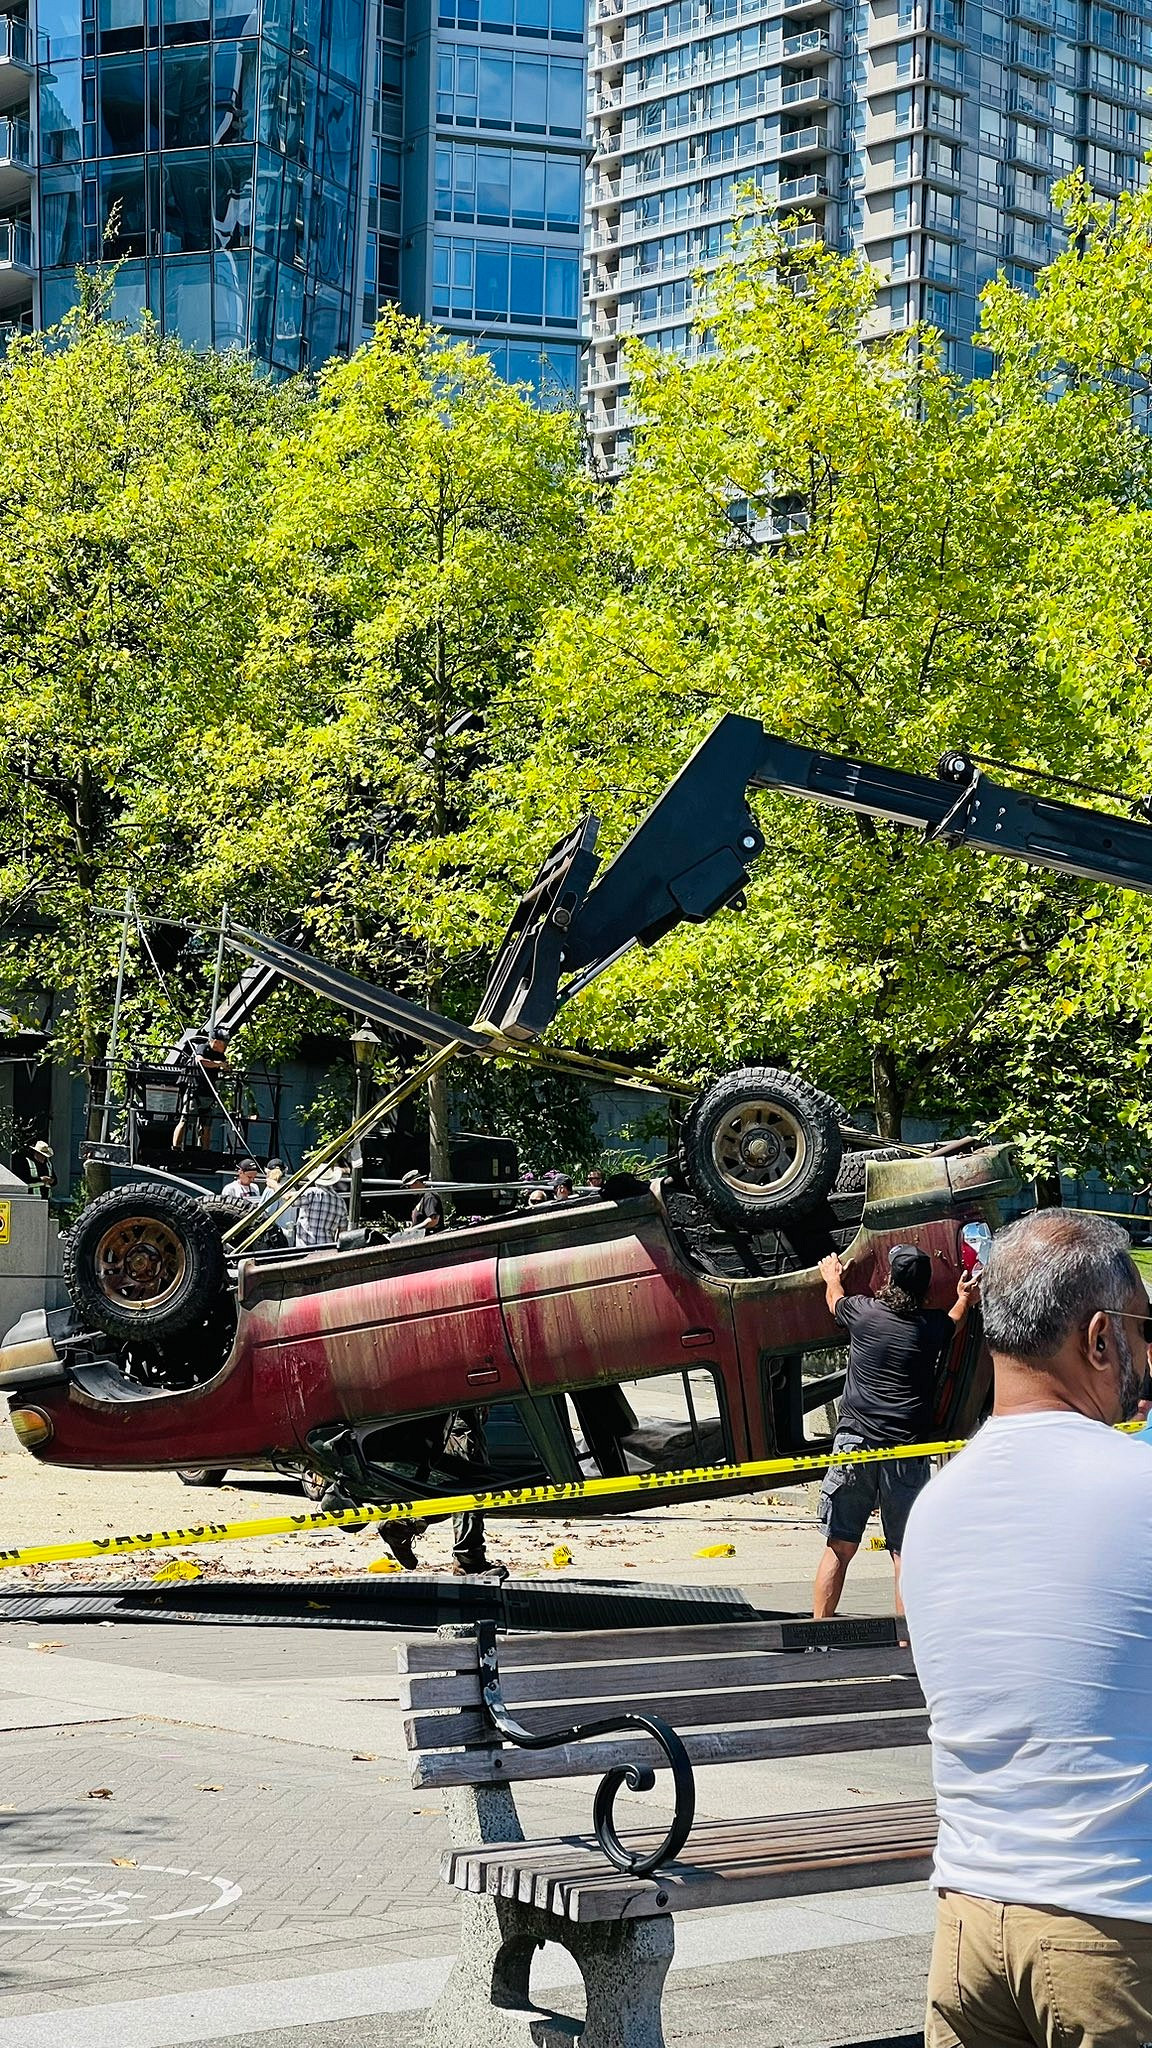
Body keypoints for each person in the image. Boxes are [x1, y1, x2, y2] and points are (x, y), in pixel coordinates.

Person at [901, 1211, 1152, 2048]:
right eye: (1145, 1328)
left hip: (970, 1926)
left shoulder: (935, 1510)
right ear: (1099, 1338)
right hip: (1116, 1927)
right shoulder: (1138, 1484)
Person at [813, 1242, 975, 1619]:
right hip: (906, 1451)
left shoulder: (864, 1314)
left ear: (890, 1278)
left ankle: (817, 1640)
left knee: (840, 1545)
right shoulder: (930, 1328)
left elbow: (834, 1300)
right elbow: (956, 1320)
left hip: (855, 1444)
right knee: (903, 1552)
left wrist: (831, 1276)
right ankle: (905, 1648)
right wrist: (965, 1297)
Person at [294, 1163, 349, 1249]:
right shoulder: (341, 1202)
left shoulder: (311, 1193)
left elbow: (291, 1200)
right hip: (326, 1249)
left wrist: (275, 1184)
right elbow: (342, 1233)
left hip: (305, 1249)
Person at [402, 1169, 444, 1234]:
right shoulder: (421, 1197)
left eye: (409, 1186)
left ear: (416, 1182)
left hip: (432, 1237)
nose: (408, 1188)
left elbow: (433, 1220)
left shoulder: (429, 1196)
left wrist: (413, 1230)